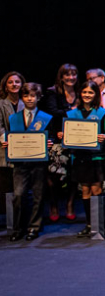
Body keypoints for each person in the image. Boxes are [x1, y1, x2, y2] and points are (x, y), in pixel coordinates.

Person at [61, 81, 105, 238]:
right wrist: (63, 137)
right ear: (80, 94)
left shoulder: (103, 113)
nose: (87, 95)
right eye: (84, 92)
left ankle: (100, 224)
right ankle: (89, 224)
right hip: (80, 158)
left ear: (96, 95)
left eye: (90, 93)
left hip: (97, 157)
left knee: (96, 189)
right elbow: (68, 136)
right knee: (84, 190)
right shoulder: (72, 114)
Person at [4, 83, 54, 241]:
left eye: (33, 96)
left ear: (38, 97)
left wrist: (49, 142)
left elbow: (50, 136)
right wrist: (8, 142)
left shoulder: (45, 118)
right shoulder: (14, 118)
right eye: (26, 96)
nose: (29, 99)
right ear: (22, 97)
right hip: (20, 163)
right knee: (19, 195)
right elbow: (11, 136)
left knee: (38, 196)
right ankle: (18, 228)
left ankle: (34, 227)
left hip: (39, 162)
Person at [41, 63, 80, 222]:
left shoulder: (79, 91)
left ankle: (70, 204)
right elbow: (52, 113)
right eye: (67, 74)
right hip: (57, 138)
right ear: (61, 76)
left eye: (74, 74)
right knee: (54, 176)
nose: (71, 78)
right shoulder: (53, 92)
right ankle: (54, 205)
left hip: (77, 138)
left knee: (73, 175)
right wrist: (72, 110)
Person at [0, 71, 26, 205]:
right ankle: (8, 220)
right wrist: (6, 139)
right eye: (10, 82)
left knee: (21, 187)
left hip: (24, 150)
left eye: (17, 82)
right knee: (6, 186)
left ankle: (19, 219)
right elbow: (0, 126)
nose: (14, 84)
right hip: (6, 149)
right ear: (5, 86)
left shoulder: (27, 102)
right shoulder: (1, 104)